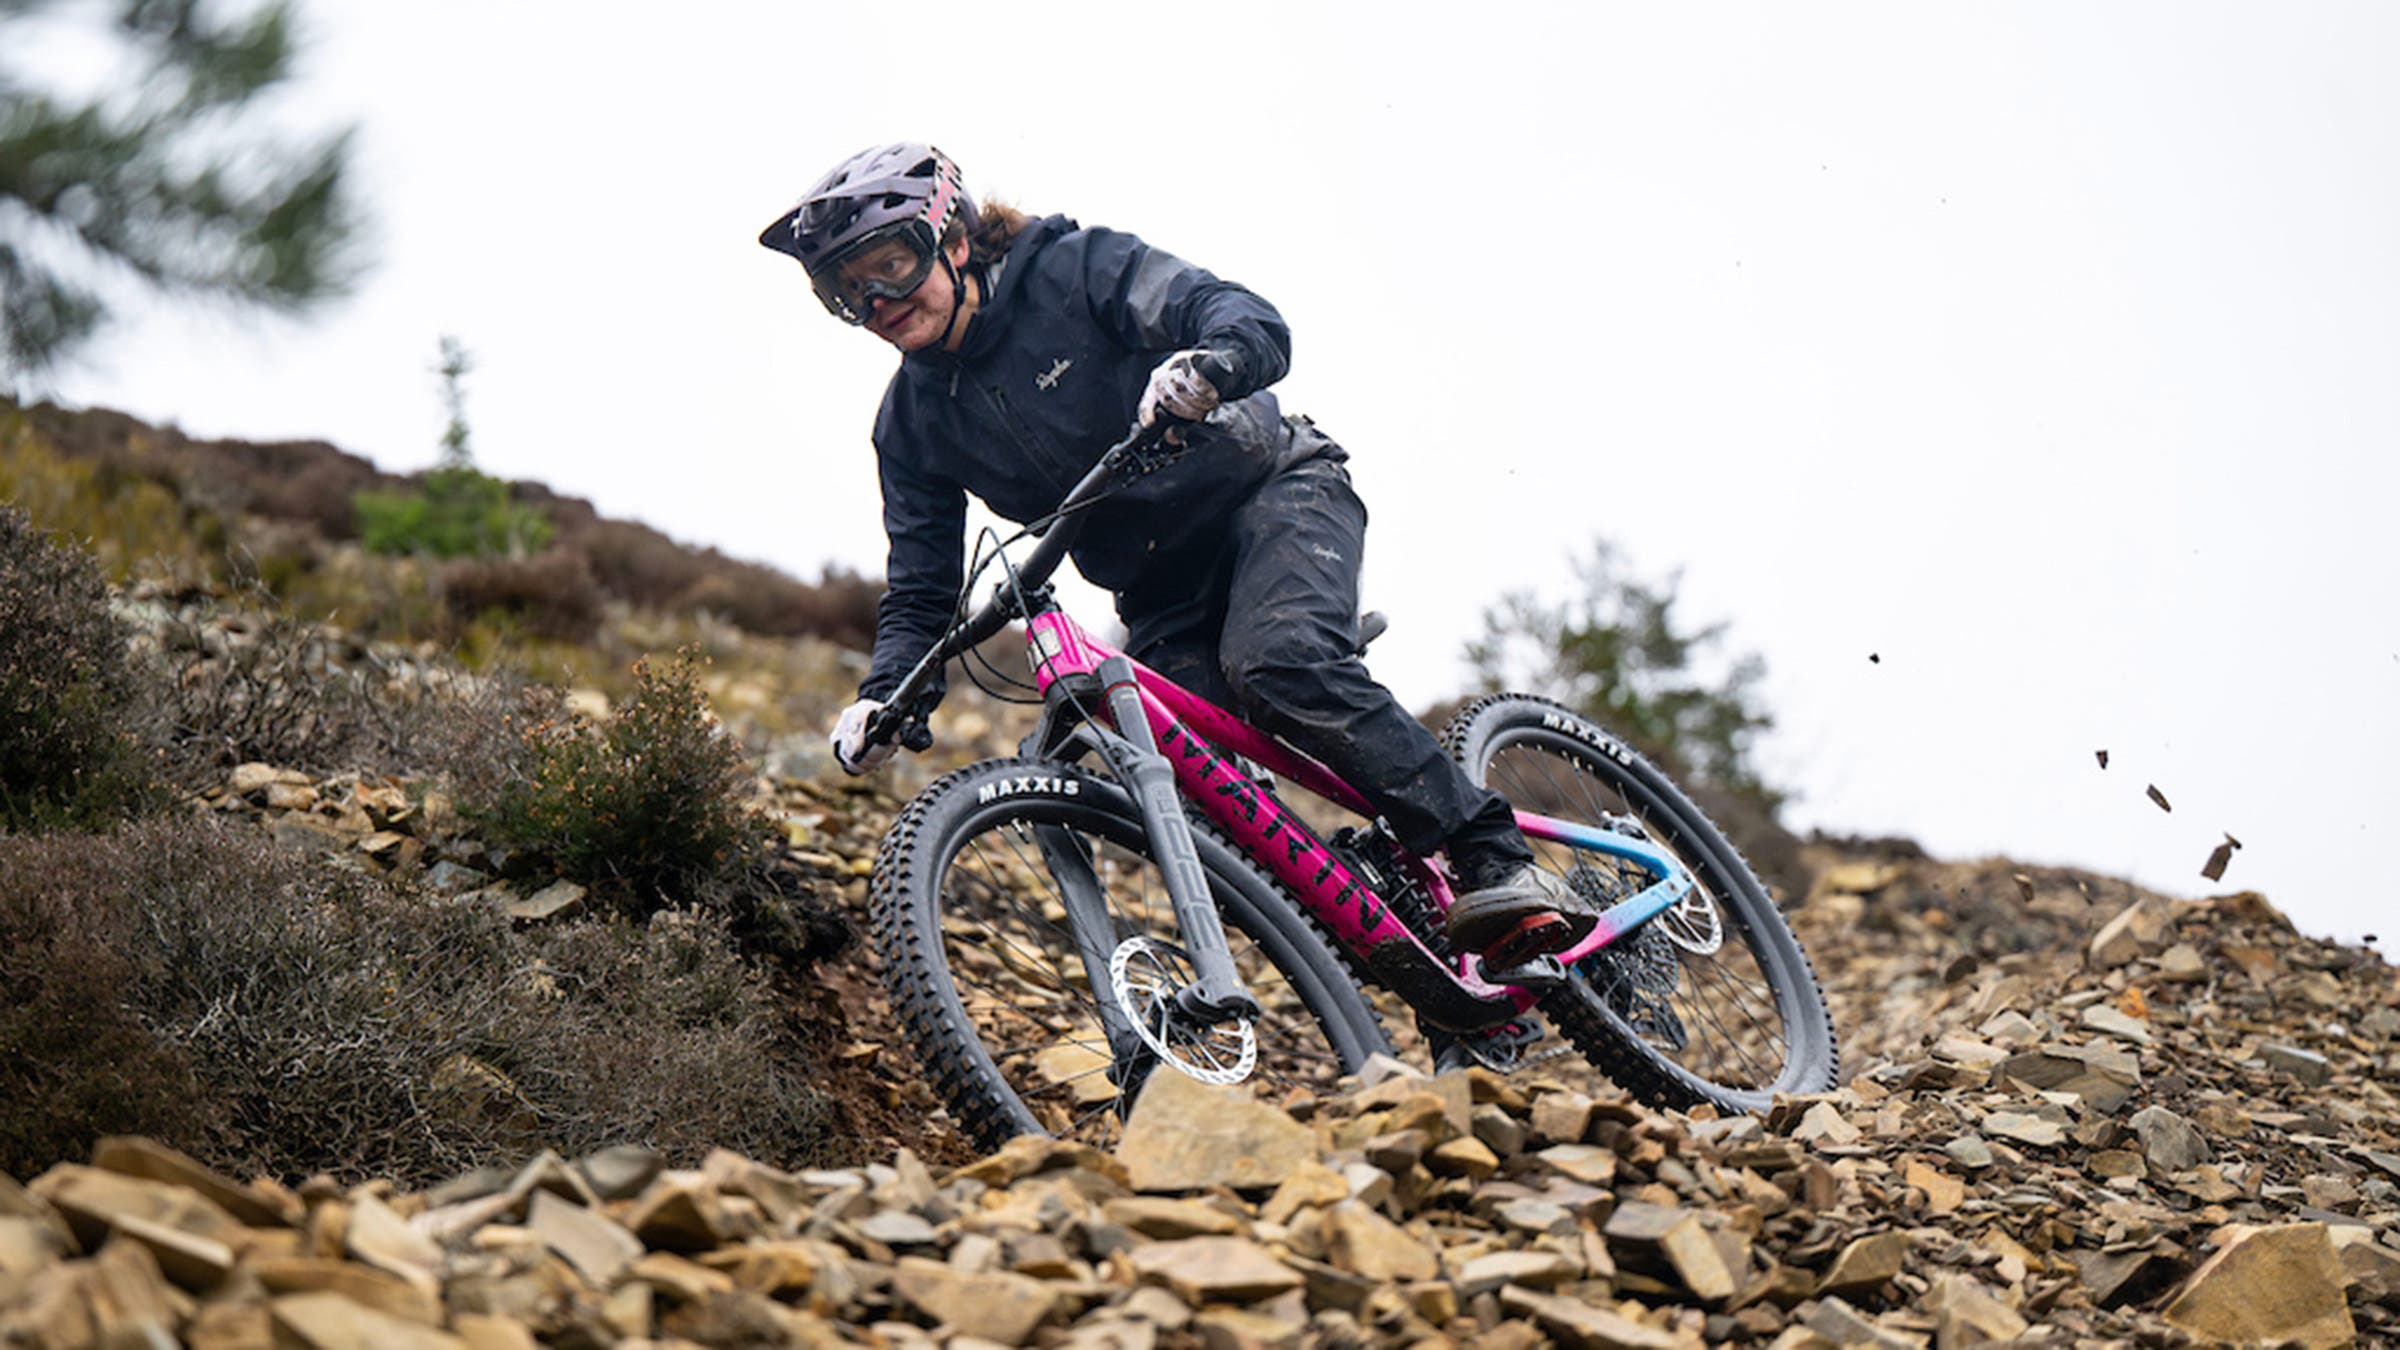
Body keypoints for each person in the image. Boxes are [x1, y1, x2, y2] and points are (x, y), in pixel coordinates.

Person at [759, 142, 1597, 966]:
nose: (875, 302)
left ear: (957, 237)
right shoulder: (910, 424)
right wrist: (884, 698)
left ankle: (1495, 854)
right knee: (1162, 769)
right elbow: (920, 591)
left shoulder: (1073, 269)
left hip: (1273, 495)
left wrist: (1209, 364)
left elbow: (1244, 316)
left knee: (1278, 665)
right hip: (1160, 593)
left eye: (890, 266)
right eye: (844, 290)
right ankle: (1383, 913)